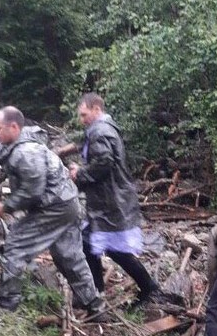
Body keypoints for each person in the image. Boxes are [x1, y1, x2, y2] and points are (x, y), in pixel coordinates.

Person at [0, 105, 107, 319]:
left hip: (54, 207)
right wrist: (2, 170)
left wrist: (5, 206)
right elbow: (22, 168)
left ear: (13, 127)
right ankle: (94, 304)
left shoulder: (25, 152)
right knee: (69, 256)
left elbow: (33, 191)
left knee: (15, 244)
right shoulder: (25, 143)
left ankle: (7, 305)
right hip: (67, 203)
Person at [68, 93, 159, 307]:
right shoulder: (104, 129)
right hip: (109, 199)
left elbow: (104, 162)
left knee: (111, 249)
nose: (82, 120)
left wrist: (80, 173)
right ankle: (96, 291)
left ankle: (147, 287)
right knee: (90, 244)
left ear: (96, 109)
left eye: (84, 115)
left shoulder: (100, 131)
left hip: (111, 201)